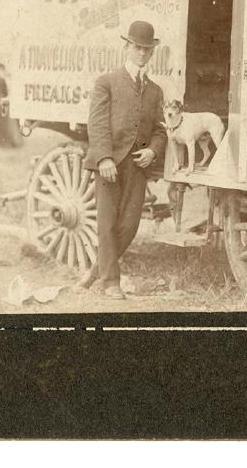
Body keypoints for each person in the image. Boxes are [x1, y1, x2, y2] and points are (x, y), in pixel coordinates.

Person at [80, 20, 167, 300]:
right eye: (137, 47)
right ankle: (110, 282)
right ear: (127, 47)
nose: (142, 53)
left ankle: (95, 271)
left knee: (129, 226)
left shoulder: (155, 91)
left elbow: (160, 130)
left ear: (152, 52)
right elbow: (97, 124)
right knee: (106, 223)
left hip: (137, 166)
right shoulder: (106, 82)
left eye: (147, 49)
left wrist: (153, 150)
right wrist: (104, 158)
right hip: (110, 163)